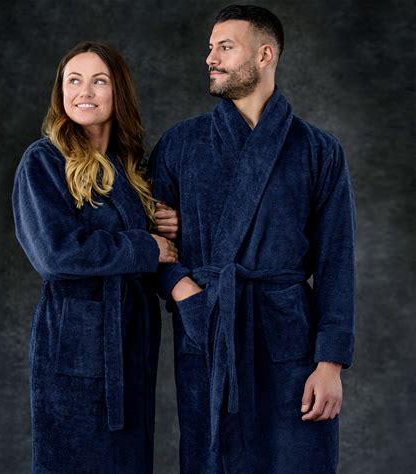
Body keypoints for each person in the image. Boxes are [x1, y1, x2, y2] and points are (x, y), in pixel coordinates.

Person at [149, 5, 356, 473]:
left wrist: (330, 364)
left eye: (225, 47)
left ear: (264, 55)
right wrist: (183, 291)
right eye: (210, 48)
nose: (210, 58)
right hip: (210, 326)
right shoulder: (180, 144)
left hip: (289, 338)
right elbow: (147, 240)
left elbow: (337, 261)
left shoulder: (318, 150)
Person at [12, 41, 179, 473]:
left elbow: (156, 243)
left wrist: (167, 225)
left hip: (132, 340)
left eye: (98, 81)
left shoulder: (129, 166)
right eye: (73, 80)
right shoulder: (44, 161)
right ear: (61, 92)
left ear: (117, 91)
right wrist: (146, 247)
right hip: (75, 342)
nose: (84, 91)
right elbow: (56, 253)